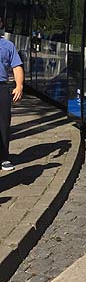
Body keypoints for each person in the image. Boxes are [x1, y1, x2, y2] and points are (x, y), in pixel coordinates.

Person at [0, 22, 24, 171]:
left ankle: (3, 158)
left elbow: (17, 66)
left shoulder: (8, 46)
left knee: (3, 123)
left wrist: (19, 85)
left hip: (2, 87)